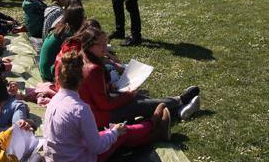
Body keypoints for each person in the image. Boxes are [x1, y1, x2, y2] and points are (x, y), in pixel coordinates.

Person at [42, 48, 169, 162]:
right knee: (121, 133)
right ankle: (152, 125)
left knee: (111, 135)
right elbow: (97, 147)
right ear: (81, 80)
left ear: (59, 77)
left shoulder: (55, 100)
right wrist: (115, 132)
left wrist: (111, 133)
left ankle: (155, 132)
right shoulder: (80, 109)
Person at [55, 25, 200, 128]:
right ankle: (181, 100)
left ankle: (178, 110)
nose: (105, 48)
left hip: (92, 114)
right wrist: (128, 96)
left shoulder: (84, 57)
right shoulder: (93, 68)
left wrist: (111, 88)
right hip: (98, 118)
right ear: (90, 45)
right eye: (102, 45)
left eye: (106, 43)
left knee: (138, 98)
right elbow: (105, 104)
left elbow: (94, 92)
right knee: (136, 104)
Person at [39, 3, 85, 83]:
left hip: (45, 69)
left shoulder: (63, 27)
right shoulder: (68, 35)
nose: (85, 19)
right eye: (84, 17)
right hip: (50, 72)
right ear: (78, 20)